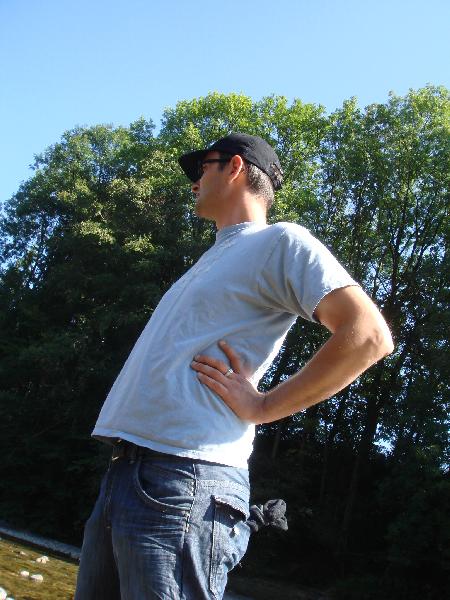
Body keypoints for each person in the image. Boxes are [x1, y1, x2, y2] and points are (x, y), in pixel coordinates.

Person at [75, 133, 394, 600]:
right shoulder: (211, 259)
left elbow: (367, 336)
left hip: (182, 481)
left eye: (203, 167)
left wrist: (263, 406)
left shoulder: (280, 241)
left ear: (236, 167)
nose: (194, 181)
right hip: (126, 474)